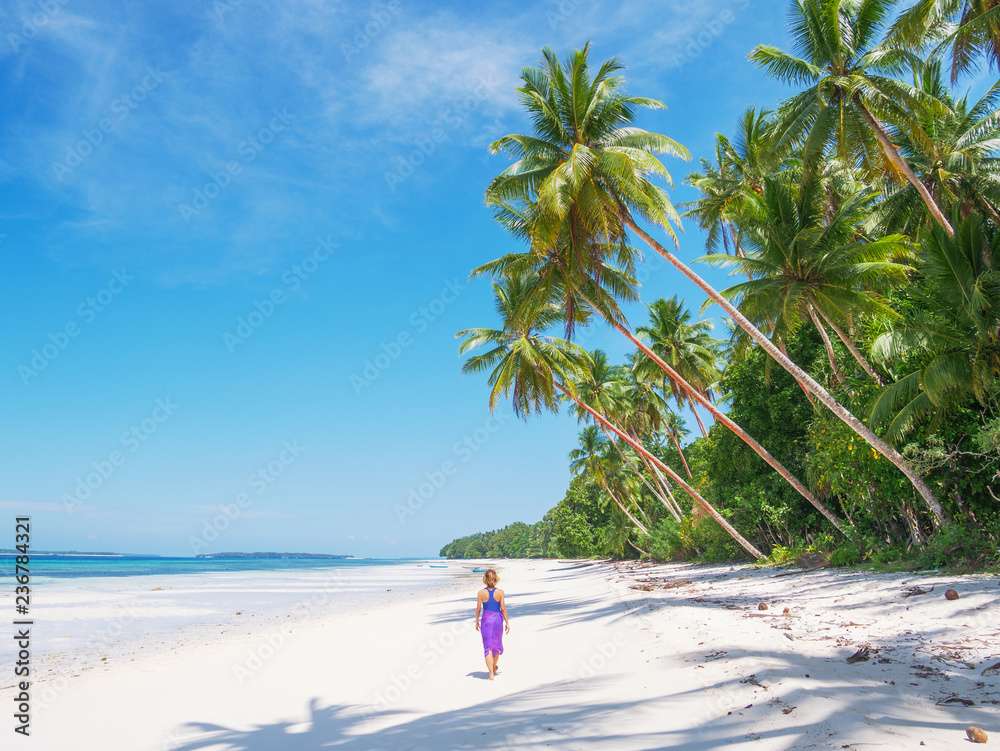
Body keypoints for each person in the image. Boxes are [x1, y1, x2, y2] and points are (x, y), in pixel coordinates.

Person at [474, 568, 509, 680]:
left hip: (486, 620)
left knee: (487, 647)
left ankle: (491, 673)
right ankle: (493, 667)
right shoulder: (500, 592)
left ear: (485, 579)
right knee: (496, 645)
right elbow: (503, 608)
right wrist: (507, 622)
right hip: (498, 619)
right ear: (495, 578)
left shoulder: (481, 593)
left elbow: (478, 609)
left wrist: (476, 622)